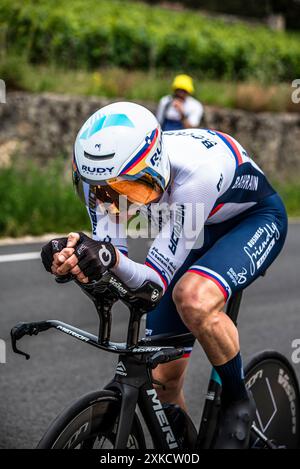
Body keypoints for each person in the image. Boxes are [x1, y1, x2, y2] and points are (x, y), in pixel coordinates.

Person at [41, 102, 287, 449]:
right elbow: (116, 265)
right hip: (191, 227)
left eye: (131, 190)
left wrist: (106, 256)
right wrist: (77, 259)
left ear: (154, 167)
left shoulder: (194, 176)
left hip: (249, 220)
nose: (118, 203)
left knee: (193, 299)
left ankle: (238, 401)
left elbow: (153, 281)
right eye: (104, 192)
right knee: (164, 383)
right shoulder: (103, 181)